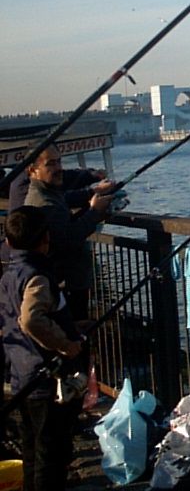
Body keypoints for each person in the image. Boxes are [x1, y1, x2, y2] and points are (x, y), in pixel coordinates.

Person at [0, 205, 87, 491]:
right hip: (44, 377)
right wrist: (66, 346)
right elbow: (31, 319)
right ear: (45, 239)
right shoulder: (36, 276)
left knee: (31, 449)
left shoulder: (10, 273)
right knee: (51, 454)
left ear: (9, 242)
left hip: (21, 372)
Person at [23, 146, 114, 321]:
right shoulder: (44, 203)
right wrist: (95, 212)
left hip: (68, 282)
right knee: (74, 334)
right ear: (32, 170)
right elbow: (69, 239)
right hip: (66, 284)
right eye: (51, 164)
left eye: (59, 161)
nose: (58, 168)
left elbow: (65, 199)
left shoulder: (46, 192)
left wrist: (94, 192)